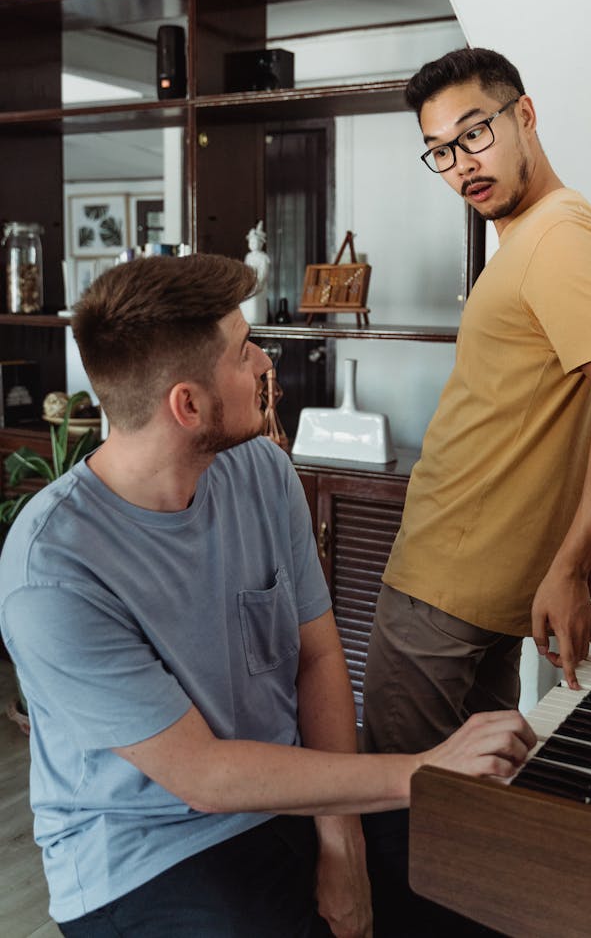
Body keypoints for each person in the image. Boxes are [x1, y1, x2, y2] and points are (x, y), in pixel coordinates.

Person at [0, 252, 535, 938]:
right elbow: (204, 777)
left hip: (287, 795)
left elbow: (316, 656)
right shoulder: (53, 568)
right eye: (245, 350)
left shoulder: (261, 469)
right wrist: (425, 769)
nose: (264, 363)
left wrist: (342, 843)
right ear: (187, 405)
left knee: (473, 882)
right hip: (145, 850)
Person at [363, 45, 591, 749]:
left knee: (402, 803)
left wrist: (570, 558)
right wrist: (590, 531)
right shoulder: (536, 235)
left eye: (474, 133)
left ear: (524, 115)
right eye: (439, 150)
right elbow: (553, 405)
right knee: (470, 804)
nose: (461, 164)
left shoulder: (558, 233)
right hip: (477, 586)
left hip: (442, 588)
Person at [241, 219, 270, 326]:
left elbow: (263, 273)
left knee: (256, 304)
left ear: (261, 244)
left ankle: (257, 319)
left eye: (255, 242)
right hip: (249, 283)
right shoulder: (248, 256)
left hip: (258, 285)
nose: (253, 244)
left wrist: (257, 283)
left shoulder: (263, 257)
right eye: (251, 242)